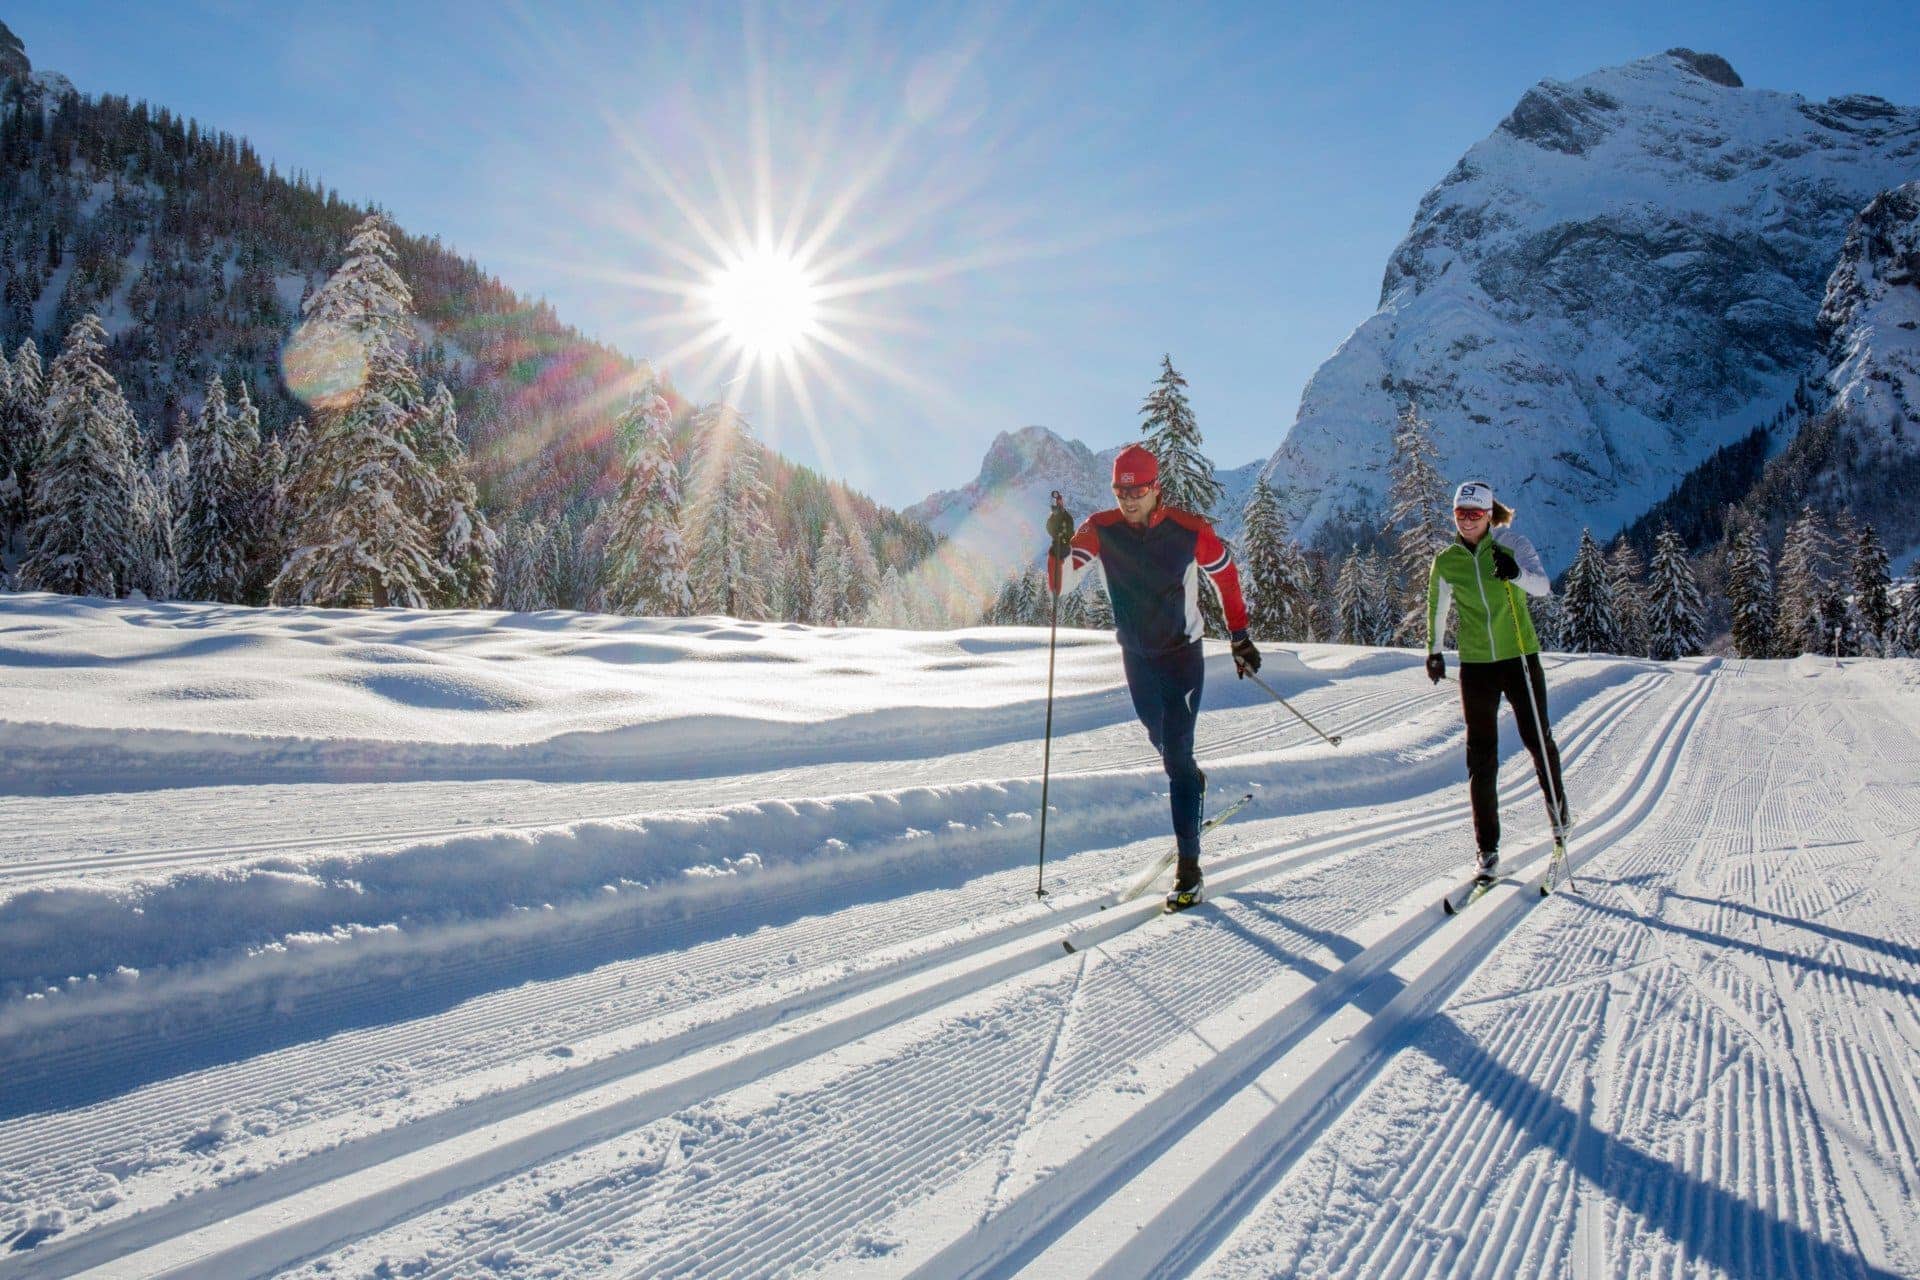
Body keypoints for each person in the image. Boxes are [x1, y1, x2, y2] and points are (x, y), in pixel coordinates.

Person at [1046, 443, 1260, 911]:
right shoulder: (1101, 529)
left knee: (1178, 756)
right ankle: (1191, 781)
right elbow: (1062, 582)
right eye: (1121, 492)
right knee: (1163, 743)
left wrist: (1240, 635)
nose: (1128, 500)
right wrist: (1058, 547)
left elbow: (1226, 576)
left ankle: (1189, 869)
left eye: (1137, 491)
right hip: (1136, 658)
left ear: (1154, 488)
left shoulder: (1189, 530)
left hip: (1183, 656)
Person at [1424, 480, 1569, 881]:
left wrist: (1516, 573)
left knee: (1537, 740)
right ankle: (1487, 849)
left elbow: (1543, 587)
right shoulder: (1447, 560)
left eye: (1474, 514)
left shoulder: (1513, 546)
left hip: (1519, 656)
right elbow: (1437, 607)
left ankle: (1560, 818)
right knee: (1481, 757)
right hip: (1476, 665)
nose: (1467, 521)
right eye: (1460, 514)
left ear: (1489, 515)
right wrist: (1434, 650)